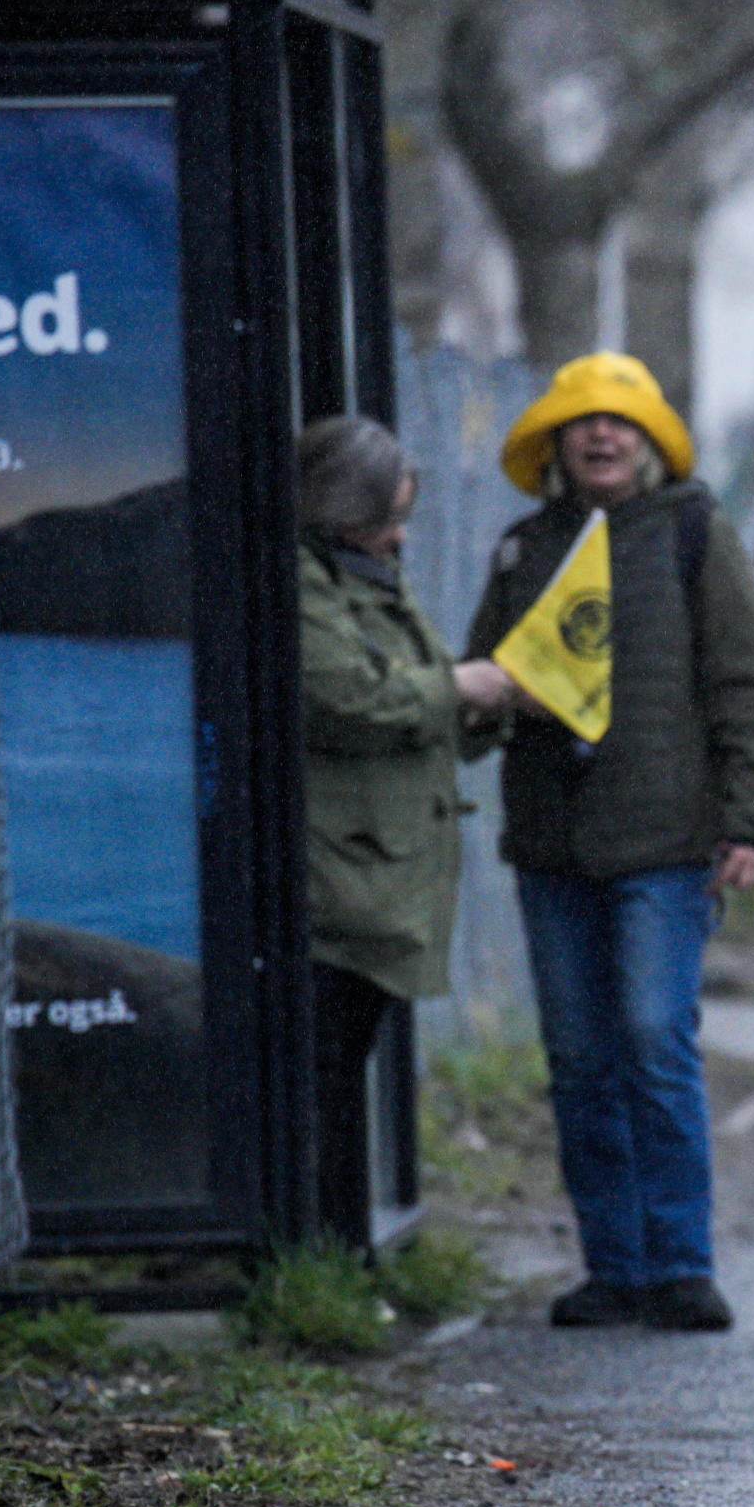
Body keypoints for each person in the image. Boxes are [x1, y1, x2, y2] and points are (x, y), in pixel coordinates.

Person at [466, 354, 754, 1333]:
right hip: (553, 847)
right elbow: (484, 687)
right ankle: (614, 1266)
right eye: (583, 423)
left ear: (651, 442)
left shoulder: (695, 533)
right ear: (555, 443)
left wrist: (745, 818)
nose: (602, 437)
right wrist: (473, 703)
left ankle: (683, 1265)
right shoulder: (524, 549)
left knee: (652, 1038)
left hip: (668, 843)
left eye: (622, 423)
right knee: (578, 1057)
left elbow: (740, 680)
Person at [297, 416, 512, 1230]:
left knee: (346, 1060)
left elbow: (413, 684)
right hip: (345, 866)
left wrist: (484, 702)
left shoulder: (365, 571)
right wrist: (460, 690)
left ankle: (334, 1243)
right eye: (384, 519)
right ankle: (319, 1245)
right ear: (334, 507)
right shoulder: (305, 580)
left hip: (382, 863)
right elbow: (346, 695)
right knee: (327, 1062)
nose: (395, 538)